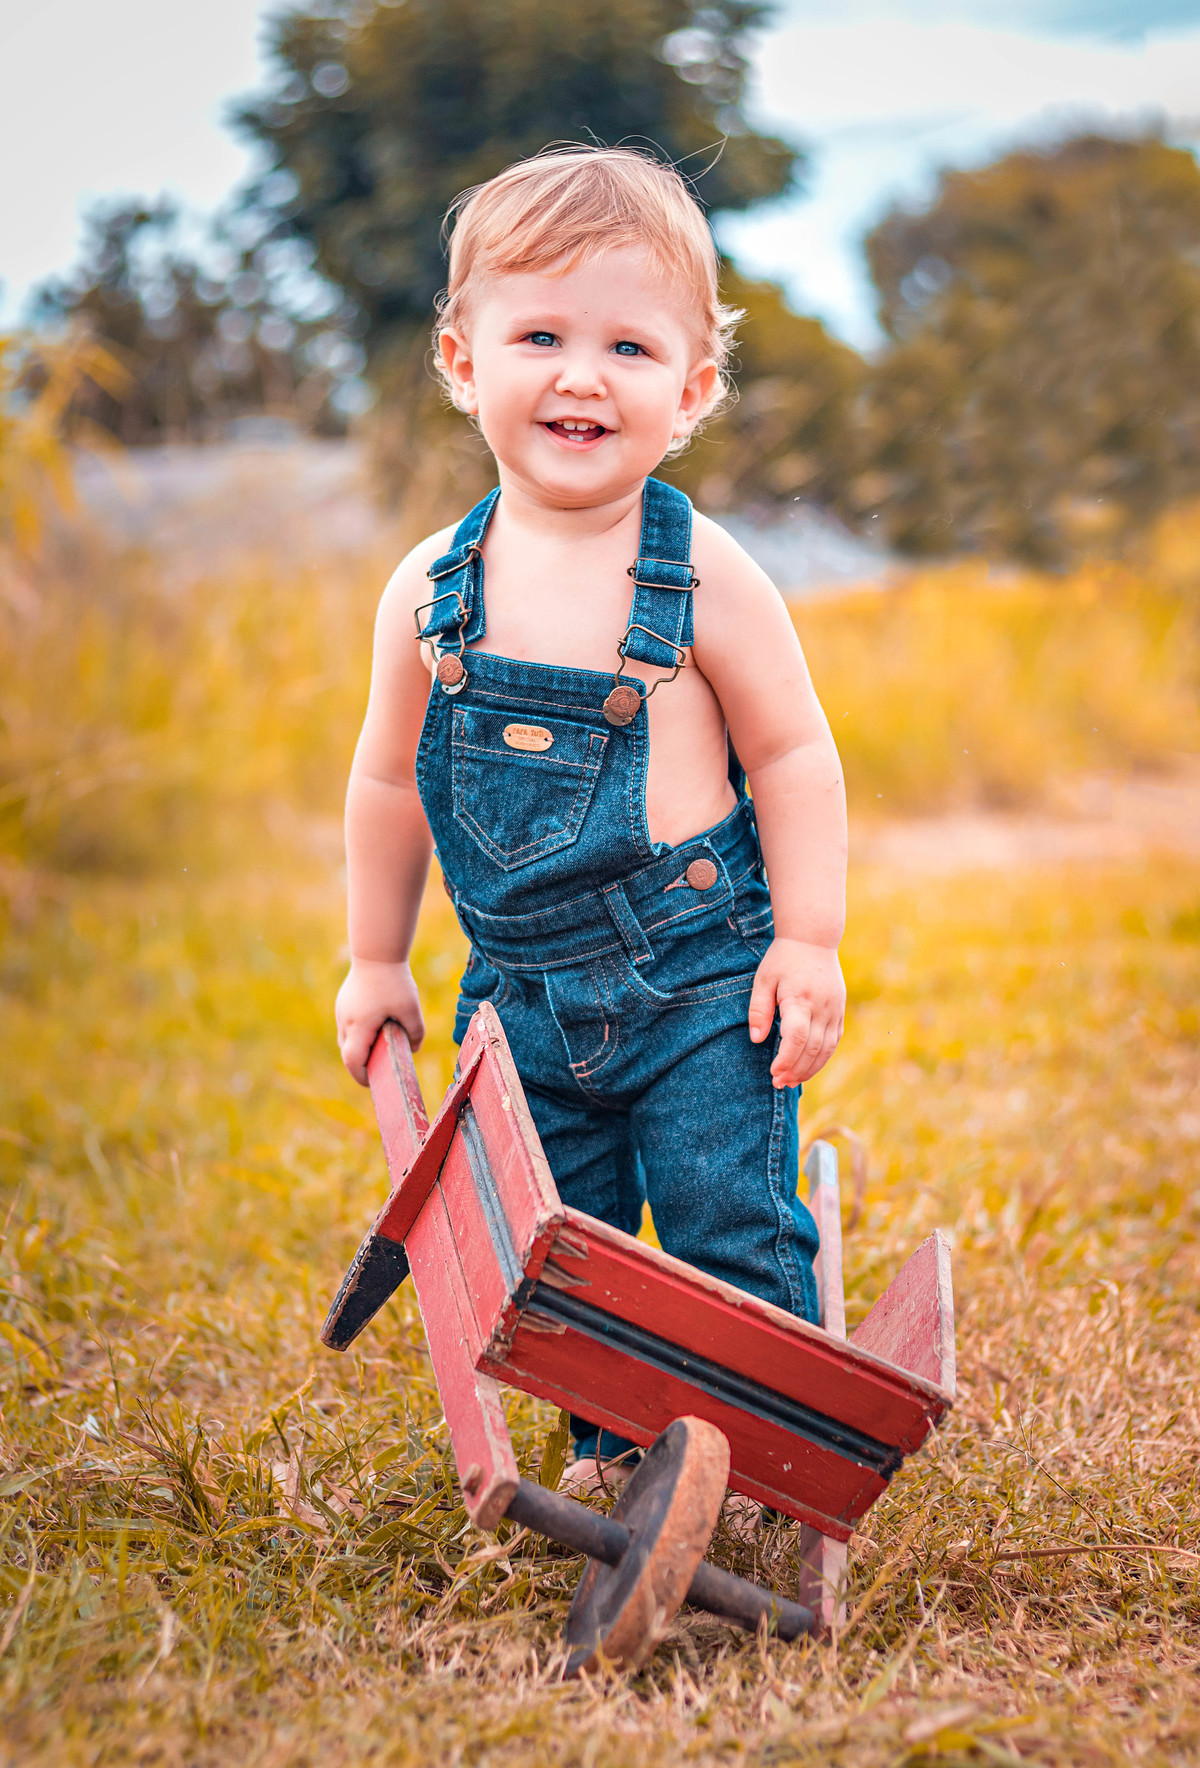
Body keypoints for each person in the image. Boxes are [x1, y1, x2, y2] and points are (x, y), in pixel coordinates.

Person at [335, 146, 847, 1497]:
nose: (580, 375)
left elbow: (793, 753)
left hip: (699, 980)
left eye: (628, 345)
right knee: (559, 1247)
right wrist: (377, 958)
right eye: (541, 335)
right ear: (461, 360)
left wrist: (808, 939)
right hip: (522, 1000)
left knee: (726, 1209)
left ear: (691, 391)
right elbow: (389, 783)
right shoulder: (427, 594)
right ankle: (623, 1456)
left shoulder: (705, 572)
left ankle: (778, 1438)